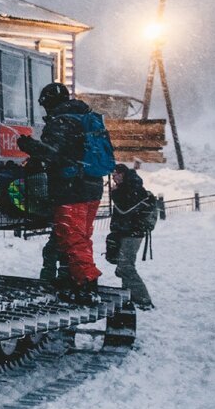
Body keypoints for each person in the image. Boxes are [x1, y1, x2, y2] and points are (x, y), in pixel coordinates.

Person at [16, 83, 106, 302]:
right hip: (92, 185)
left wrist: (28, 145)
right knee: (81, 237)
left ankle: (86, 284)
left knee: (71, 238)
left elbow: (53, 153)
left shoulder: (61, 121)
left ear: (49, 102)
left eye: (44, 104)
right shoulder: (86, 117)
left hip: (71, 189)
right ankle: (74, 278)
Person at [105, 164, 155, 309]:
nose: (113, 178)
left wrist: (115, 193)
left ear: (122, 174)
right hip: (126, 232)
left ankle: (143, 300)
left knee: (126, 267)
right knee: (124, 266)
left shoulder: (133, 188)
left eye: (115, 174)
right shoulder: (128, 187)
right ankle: (129, 296)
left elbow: (124, 209)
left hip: (132, 233)